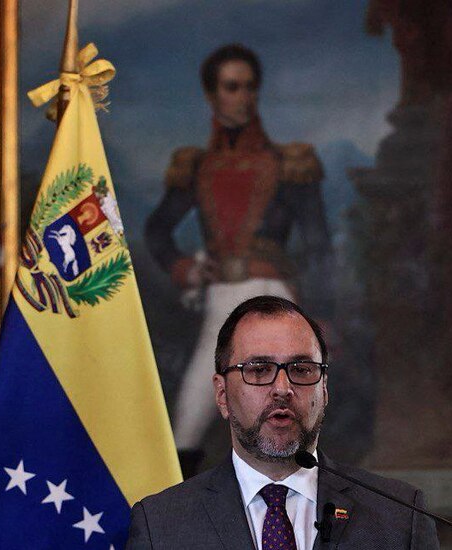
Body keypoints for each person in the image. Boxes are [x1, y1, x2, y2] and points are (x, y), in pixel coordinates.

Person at [126, 296, 439, 549]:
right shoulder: (161, 527)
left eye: (301, 369)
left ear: (324, 390)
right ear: (221, 394)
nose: (282, 388)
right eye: (259, 370)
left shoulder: (400, 516)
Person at [145, 43, 332, 467]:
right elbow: (157, 230)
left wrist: (323, 316)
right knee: (195, 410)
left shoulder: (290, 164)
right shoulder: (196, 165)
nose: (243, 96)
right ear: (213, 95)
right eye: (232, 87)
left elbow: (319, 246)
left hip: (277, 293)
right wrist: (186, 268)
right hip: (220, 296)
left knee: (291, 405)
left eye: (250, 87)